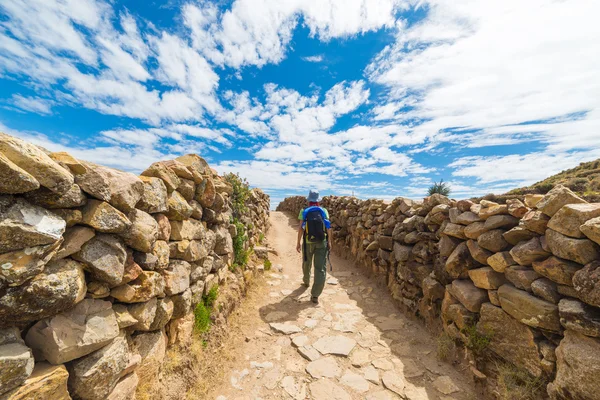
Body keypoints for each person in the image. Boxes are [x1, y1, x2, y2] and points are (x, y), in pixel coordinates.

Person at [296, 190, 332, 304]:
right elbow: (328, 228)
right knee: (320, 268)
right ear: (318, 201)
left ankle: (306, 281)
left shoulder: (304, 211)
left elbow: (301, 228)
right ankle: (315, 295)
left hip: (308, 242)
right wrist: (329, 241)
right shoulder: (324, 211)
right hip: (322, 242)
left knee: (306, 263)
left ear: (308, 200)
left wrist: (298, 242)